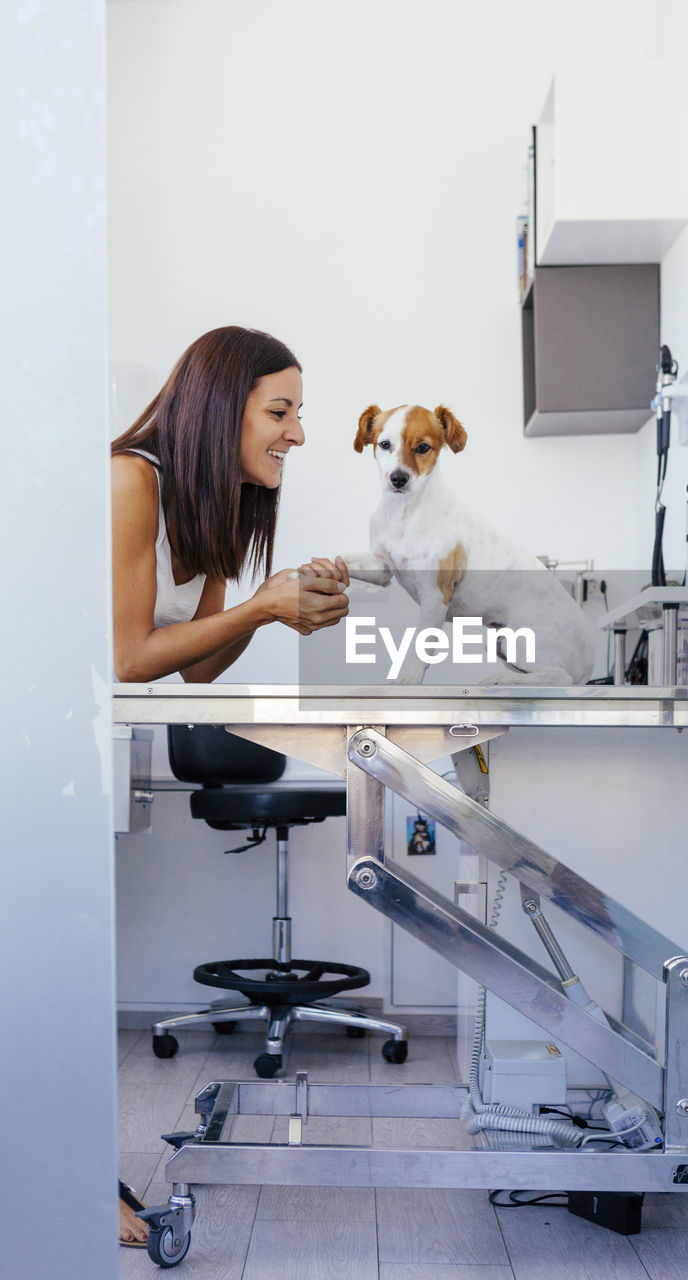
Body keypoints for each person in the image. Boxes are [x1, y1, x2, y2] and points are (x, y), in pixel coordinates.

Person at [111, 325, 350, 1245]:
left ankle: (64, 1183)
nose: (295, 433)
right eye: (279, 411)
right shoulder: (133, 481)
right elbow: (130, 654)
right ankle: (67, 1191)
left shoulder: (204, 508)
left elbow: (200, 672)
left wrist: (281, 604)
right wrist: (262, 603)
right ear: (223, 409)